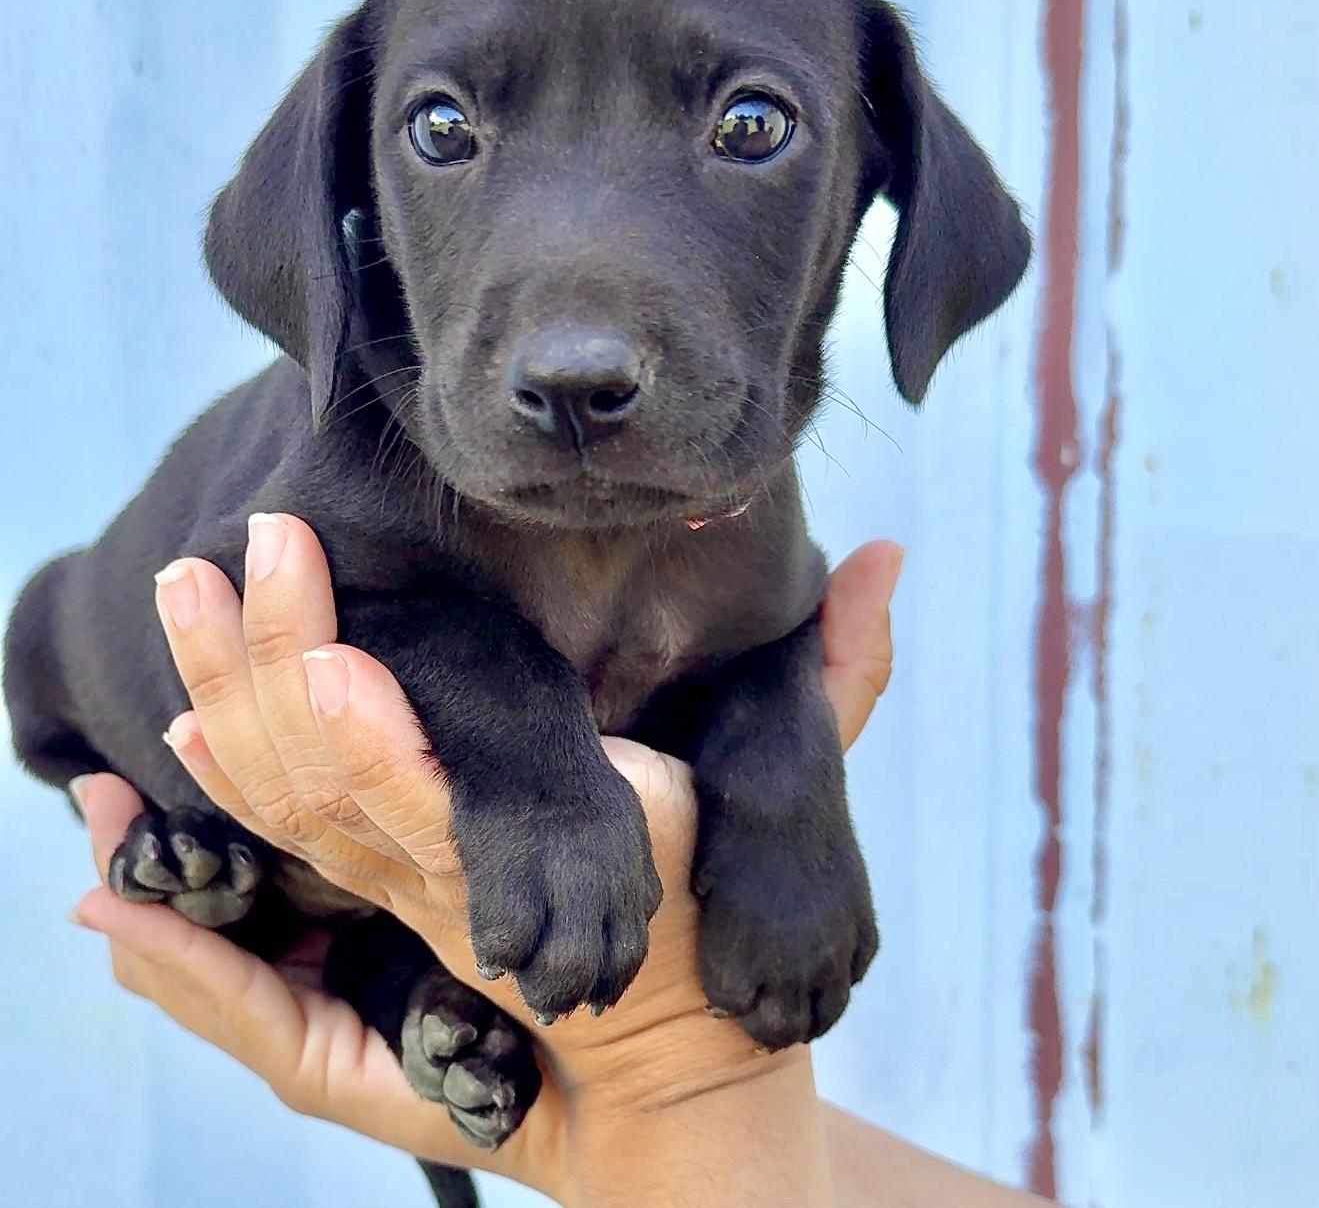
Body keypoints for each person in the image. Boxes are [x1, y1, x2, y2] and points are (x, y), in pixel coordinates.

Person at [68, 515, 1051, 1207]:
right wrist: (653, 1093)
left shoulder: (728, 534)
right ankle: (364, 952)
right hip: (232, 818)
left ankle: (395, 978)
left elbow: (752, 639)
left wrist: (667, 1076)